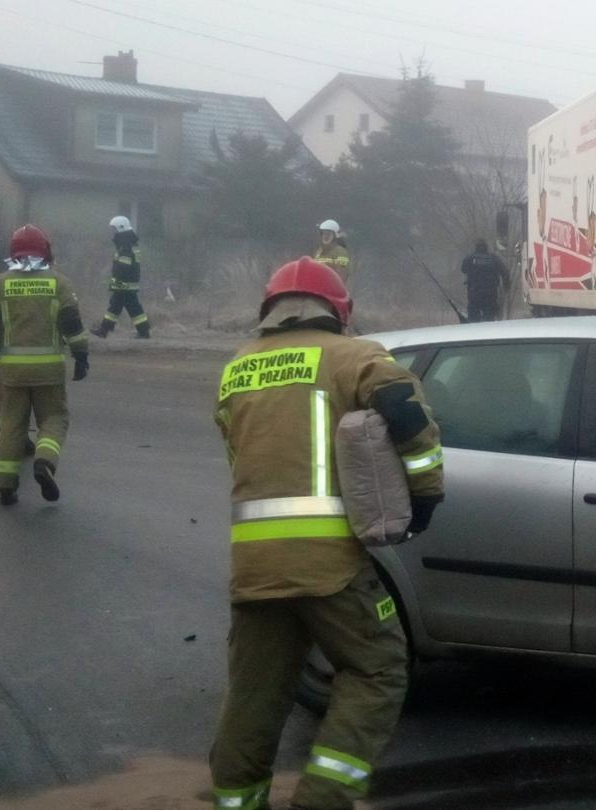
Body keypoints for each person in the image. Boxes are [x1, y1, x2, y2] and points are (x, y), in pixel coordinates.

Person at [209, 257, 444, 810]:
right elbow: (406, 416)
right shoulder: (355, 356)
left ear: (271, 310)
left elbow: (237, 454)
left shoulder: (236, 369)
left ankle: (236, 803)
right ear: (338, 310)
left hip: (254, 566)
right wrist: (425, 492)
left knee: (254, 698)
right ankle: (322, 798)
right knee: (379, 667)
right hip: (330, 564)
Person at [0, 225, 90, 506]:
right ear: (45, 251)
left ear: (13, 252)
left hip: (12, 371)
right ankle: (44, 463)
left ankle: (6, 486)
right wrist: (81, 355)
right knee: (54, 419)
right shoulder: (59, 283)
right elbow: (72, 324)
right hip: (49, 370)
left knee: (11, 425)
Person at [91, 215, 151, 339]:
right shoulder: (129, 241)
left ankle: (104, 330)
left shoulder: (125, 244)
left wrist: (117, 280)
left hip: (124, 283)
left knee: (115, 306)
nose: (112, 232)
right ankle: (144, 331)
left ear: (120, 228)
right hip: (128, 283)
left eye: (114, 229)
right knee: (133, 308)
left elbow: (124, 265)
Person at [459, 239, 507, 323]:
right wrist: (506, 284)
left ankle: (475, 334)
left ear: (476, 247)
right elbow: (504, 272)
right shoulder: (493, 258)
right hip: (490, 294)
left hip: (474, 294)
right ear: (486, 247)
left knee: (473, 319)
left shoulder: (470, 258)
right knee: (489, 318)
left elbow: (463, 269)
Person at [314, 219, 352, 288]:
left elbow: (342, 274)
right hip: (317, 288)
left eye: (328, 234)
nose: (325, 236)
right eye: (323, 233)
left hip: (331, 290)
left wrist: (334, 287)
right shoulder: (319, 252)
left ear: (335, 236)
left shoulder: (340, 252)